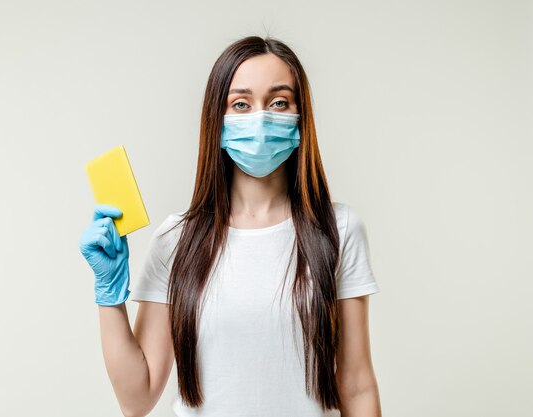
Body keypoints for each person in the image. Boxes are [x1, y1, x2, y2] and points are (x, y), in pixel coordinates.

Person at [79, 35, 382, 417]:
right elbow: (136, 399)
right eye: (241, 104)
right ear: (217, 123)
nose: (260, 118)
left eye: (278, 102)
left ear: (301, 118)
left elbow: (356, 384)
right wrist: (109, 297)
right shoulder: (177, 240)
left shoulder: (338, 229)